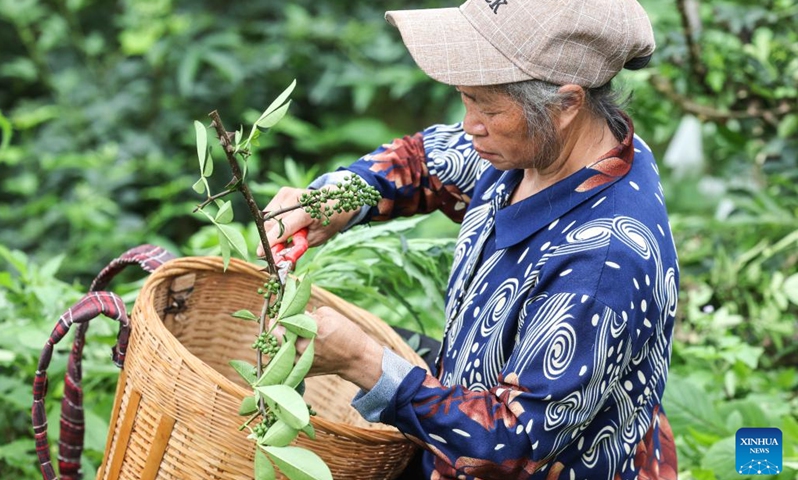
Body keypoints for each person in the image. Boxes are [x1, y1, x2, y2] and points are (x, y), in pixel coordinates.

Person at [258, 0, 679, 478]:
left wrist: (361, 360)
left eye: (487, 106)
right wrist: (339, 198)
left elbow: (512, 445)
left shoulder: (602, 263)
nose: (469, 124)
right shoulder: (543, 147)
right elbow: (425, 161)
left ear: (566, 104)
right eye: (466, 97)